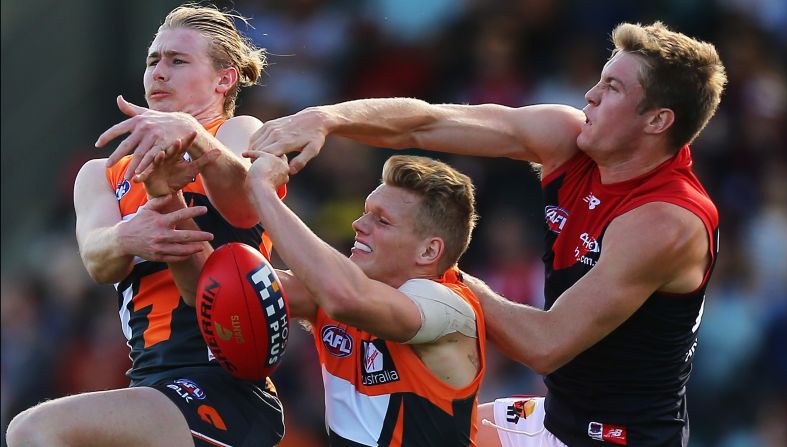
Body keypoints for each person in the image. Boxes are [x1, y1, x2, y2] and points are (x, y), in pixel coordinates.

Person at [248, 21, 726, 446]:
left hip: (618, 437)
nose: (590, 96)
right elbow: (427, 122)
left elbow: (547, 344)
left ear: (658, 121)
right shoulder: (569, 136)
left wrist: (442, 275)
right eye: (599, 81)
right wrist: (327, 118)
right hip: (554, 417)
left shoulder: (667, 220)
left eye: (613, 89)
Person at [7, 4, 287, 446]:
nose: (159, 72)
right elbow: (98, 260)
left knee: (33, 429)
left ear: (224, 79)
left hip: (223, 382)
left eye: (178, 61)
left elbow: (245, 204)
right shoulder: (100, 173)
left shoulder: (239, 132)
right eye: (153, 60)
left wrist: (191, 138)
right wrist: (125, 235)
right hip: (153, 379)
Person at [243, 152, 488, 445]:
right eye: (366, 212)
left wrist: (263, 191)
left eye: (382, 221)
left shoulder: (447, 306)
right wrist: (175, 205)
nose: (359, 224)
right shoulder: (336, 291)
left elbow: (345, 297)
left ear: (428, 252)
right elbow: (230, 285)